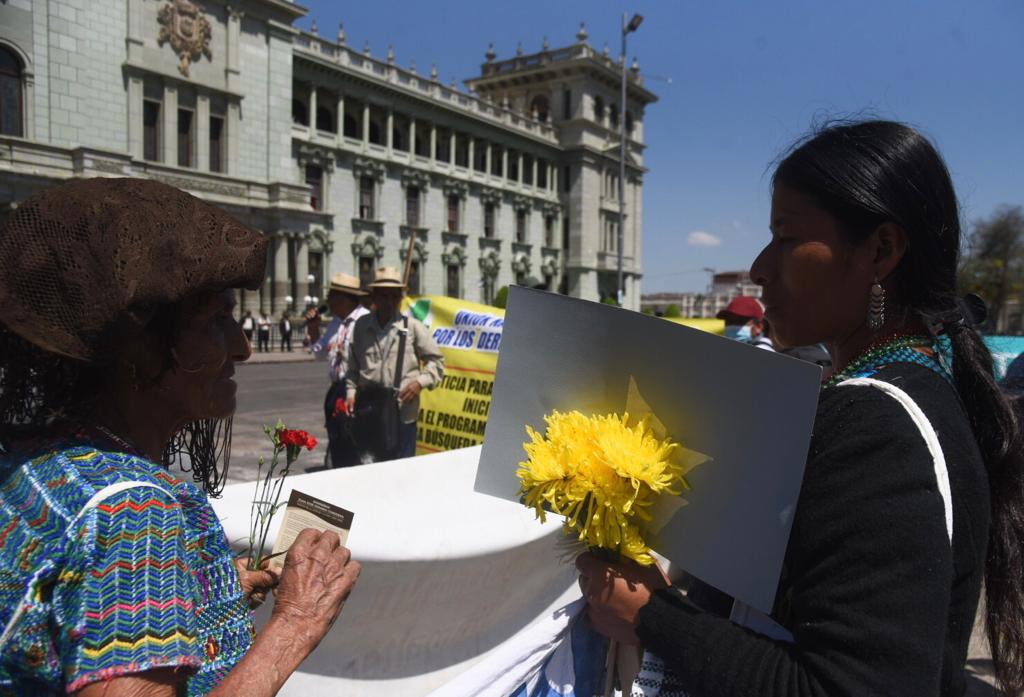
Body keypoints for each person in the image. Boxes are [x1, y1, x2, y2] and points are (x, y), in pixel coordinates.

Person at [577, 121, 1024, 696]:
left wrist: (650, 615)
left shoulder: (876, 424)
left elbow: (850, 685)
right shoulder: (914, 387)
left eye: (786, 238)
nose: (761, 266)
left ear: (881, 251)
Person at [0, 178, 361, 696]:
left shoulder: (36, 458)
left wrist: (197, 592)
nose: (240, 347)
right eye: (217, 320)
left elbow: (70, 601)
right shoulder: (133, 511)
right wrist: (295, 625)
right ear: (137, 349)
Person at [345, 267, 445, 462]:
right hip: (368, 410)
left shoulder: (412, 328)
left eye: (394, 296)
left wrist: (419, 383)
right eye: (383, 296)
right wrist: (350, 393)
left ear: (401, 297)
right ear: (374, 297)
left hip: (401, 413)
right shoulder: (361, 326)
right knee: (368, 467)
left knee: (402, 468)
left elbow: (437, 361)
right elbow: (353, 368)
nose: (389, 302)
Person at [311, 273, 370, 468]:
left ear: (345, 299)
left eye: (332, 296)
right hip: (336, 388)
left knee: (352, 441)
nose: (327, 300)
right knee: (336, 436)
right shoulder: (336, 322)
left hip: (355, 389)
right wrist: (314, 329)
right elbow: (319, 353)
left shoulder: (365, 320)